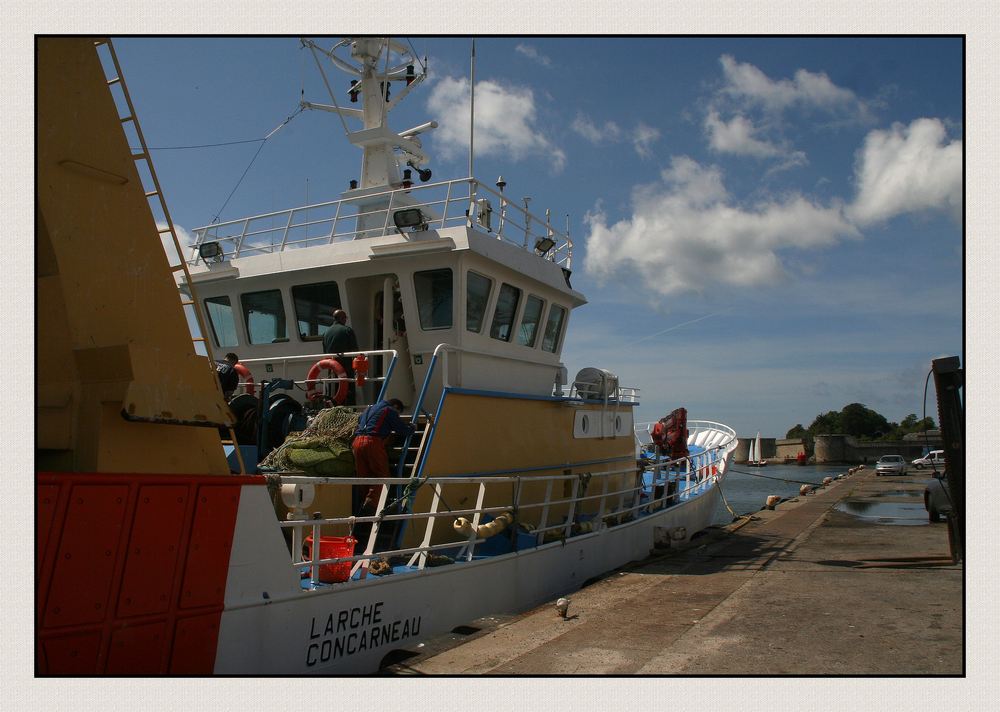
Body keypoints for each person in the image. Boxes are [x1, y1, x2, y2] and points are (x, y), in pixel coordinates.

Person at [351, 398, 414, 551]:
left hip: (357, 443)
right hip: (372, 443)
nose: (397, 414)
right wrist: (411, 428)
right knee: (383, 476)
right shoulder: (389, 411)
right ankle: (371, 505)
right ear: (396, 406)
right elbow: (401, 429)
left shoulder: (369, 408)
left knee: (364, 478)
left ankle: (362, 507)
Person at [322, 309, 360, 405]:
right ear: (342, 318)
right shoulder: (347, 330)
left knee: (333, 391)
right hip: (345, 367)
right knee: (348, 391)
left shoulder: (326, 333)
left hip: (331, 367)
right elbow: (355, 350)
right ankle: (349, 411)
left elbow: (325, 352)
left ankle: (333, 410)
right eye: (345, 318)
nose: (346, 320)